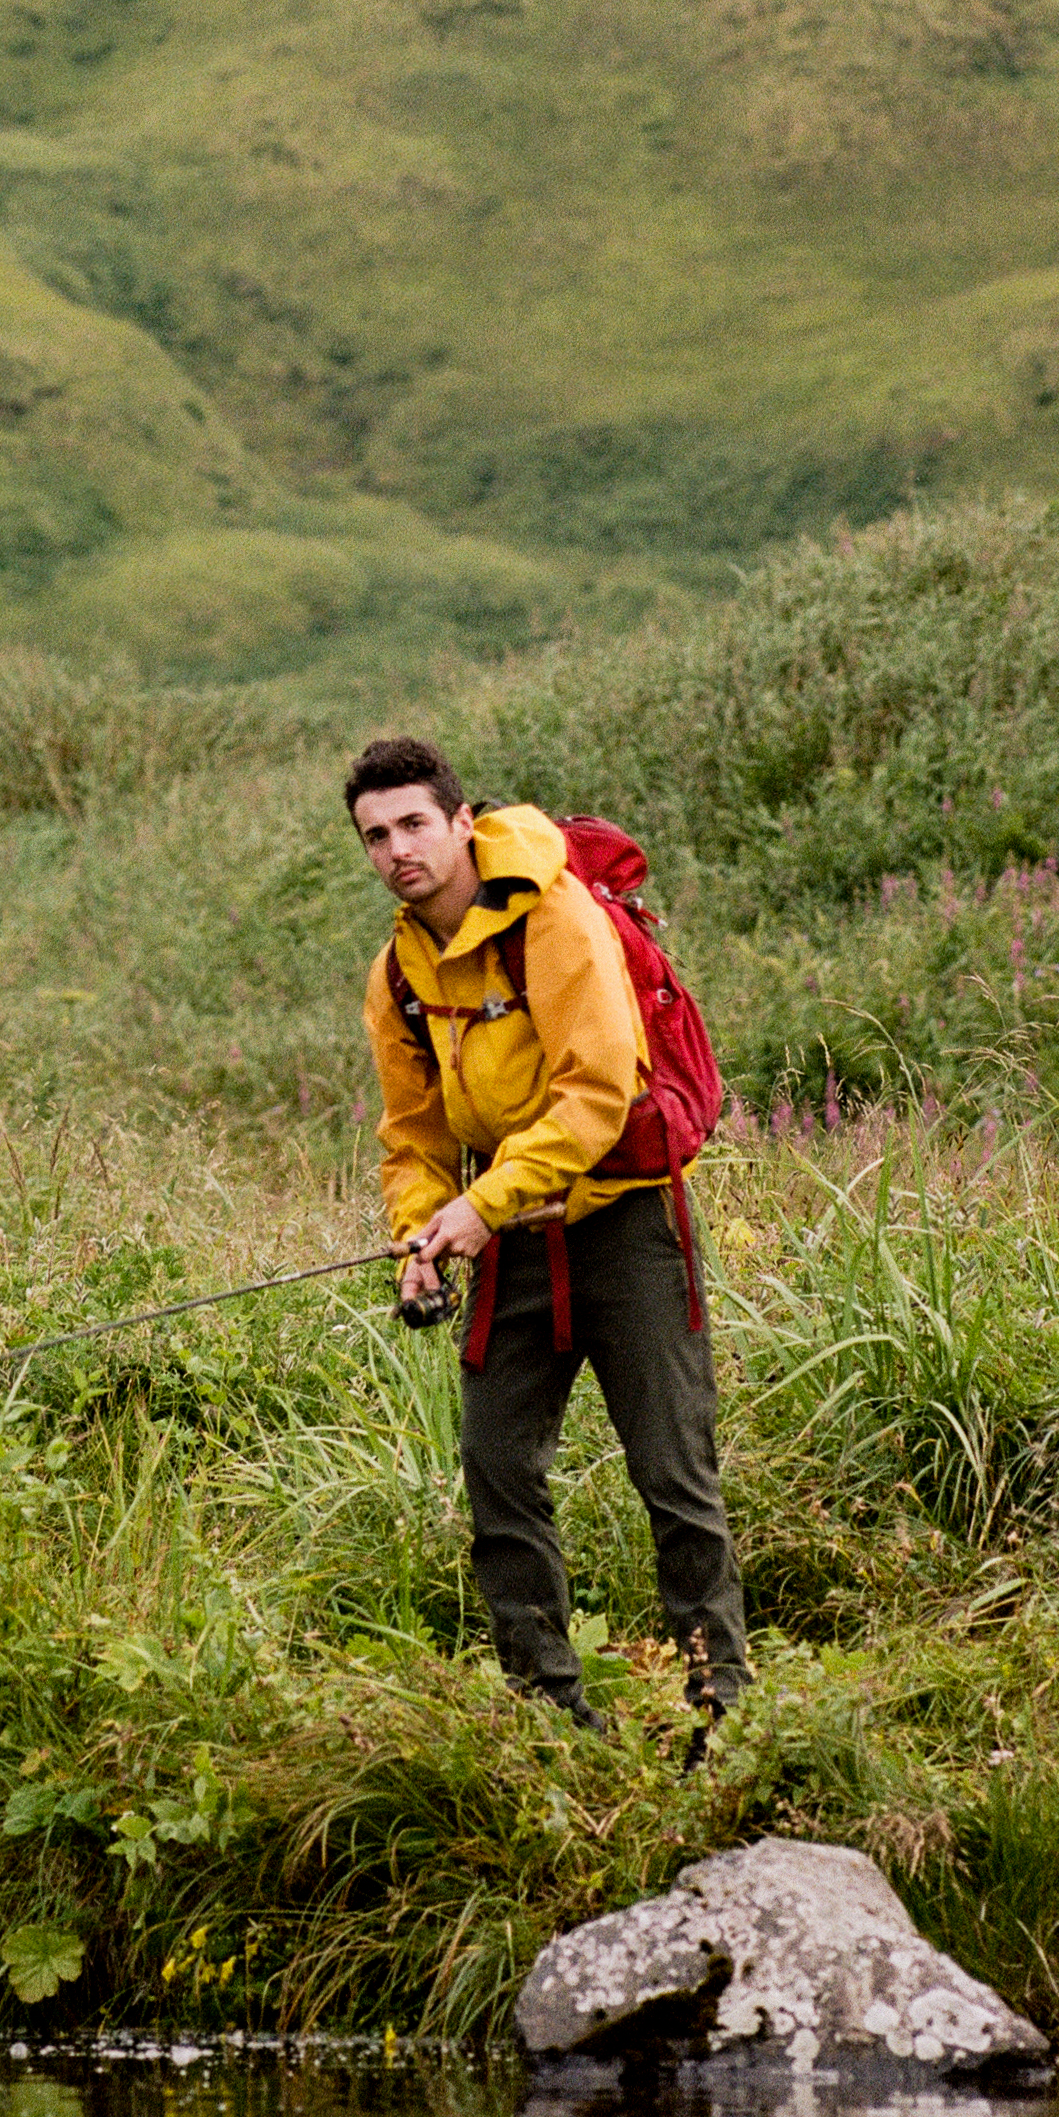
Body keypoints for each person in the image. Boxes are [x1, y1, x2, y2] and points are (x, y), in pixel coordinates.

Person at [349, 734, 747, 1738]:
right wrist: (419, 1239)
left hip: (624, 1220)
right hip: (507, 1232)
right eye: (375, 834)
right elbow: (414, 1133)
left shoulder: (557, 918)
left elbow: (597, 1091)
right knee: (497, 1468)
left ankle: (720, 1713)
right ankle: (550, 1716)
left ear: (459, 823)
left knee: (671, 1470)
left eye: (412, 824)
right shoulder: (396, 974)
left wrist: (479, 1209)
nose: (398, 848)